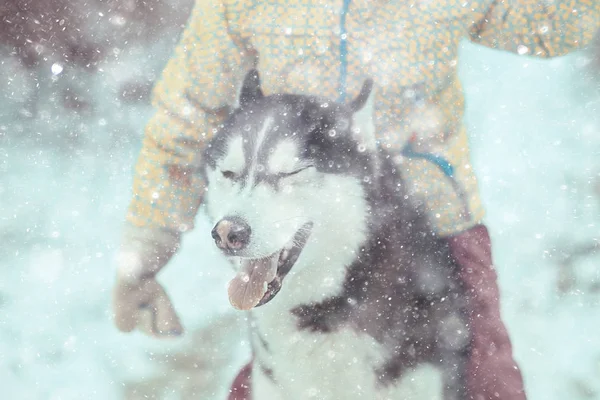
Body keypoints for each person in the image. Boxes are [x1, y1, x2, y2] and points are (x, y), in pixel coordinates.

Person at [111, 1, 600, 399]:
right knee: (282, 375)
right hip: (300, 218)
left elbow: (552, 24)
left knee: (485, 378)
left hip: (435, 219)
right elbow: (185, 117)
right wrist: (147, 247)